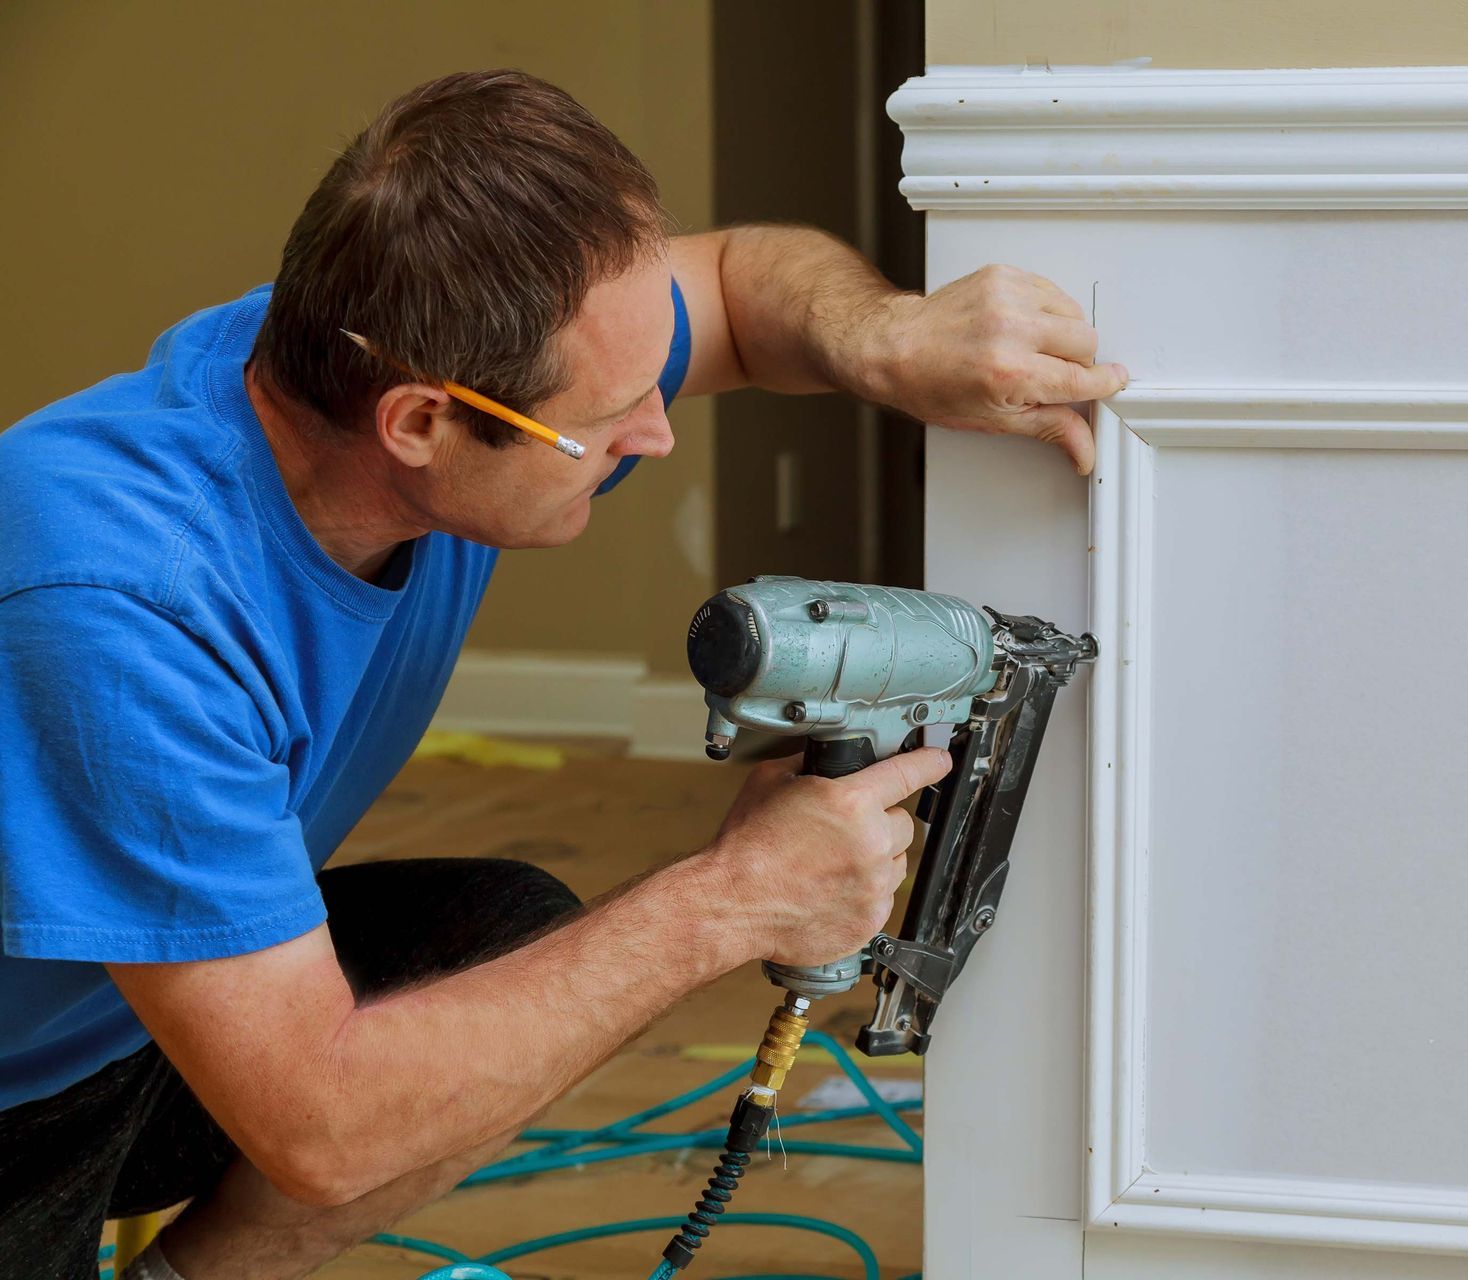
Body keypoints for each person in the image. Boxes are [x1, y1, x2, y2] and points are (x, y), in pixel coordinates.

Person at [0, 69, 1125, 1280]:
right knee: (385, 1077)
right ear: (420, 424)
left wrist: (885, 338)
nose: (659, 430)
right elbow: (324, 1129)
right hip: (20, 1105)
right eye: (612, 413)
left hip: (125, 1020)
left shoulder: (410, 349)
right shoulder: (123, 612)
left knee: (510, 943)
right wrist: (728, 897)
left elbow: (743, 281)